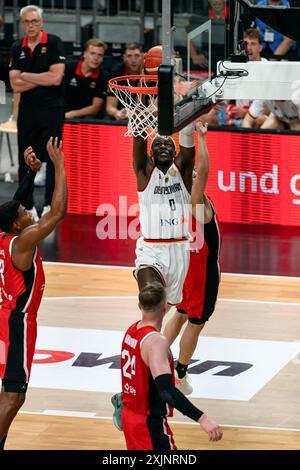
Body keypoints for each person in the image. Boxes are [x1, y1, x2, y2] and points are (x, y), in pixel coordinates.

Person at [0, 136, 67, 450]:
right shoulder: (22, 244)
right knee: (14, 396)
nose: (30, 212)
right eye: (26, 213)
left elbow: (15, 203)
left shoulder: (5, 234)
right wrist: (59, 166)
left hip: (5, 318)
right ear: (18, 225)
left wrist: (29, 174)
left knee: (11, 393)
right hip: (18, 323)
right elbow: (57, 213)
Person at [113, 282, 222, 450]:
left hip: (130, 416)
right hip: (147, 423)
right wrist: (202, 418)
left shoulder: (132, 330)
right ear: (165, 306)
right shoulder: (156, 342)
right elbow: (166, 391)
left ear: (139, 306)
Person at [163, 122, 221, 395]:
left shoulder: (176, 194)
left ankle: (158, 355)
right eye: (193, 173)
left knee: (182, 312)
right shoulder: (195, 199)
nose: (198, 173)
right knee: (196, 322)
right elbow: (206, 169)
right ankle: (180, 375)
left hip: (186, 262)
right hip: (201, 267)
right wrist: (202, 136)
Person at [9, 4, 65, 221]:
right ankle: (27, 204)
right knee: (26, 157)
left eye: (34, 21)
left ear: (41, 23)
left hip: (52, 109)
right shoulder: (17, 46)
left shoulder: (53, 42)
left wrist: (26, 75)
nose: (31, 25)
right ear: (22, 24)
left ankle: (50, 203)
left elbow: (56, 78)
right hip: (28, 111)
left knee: (52, 157)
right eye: (27, 21)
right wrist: (42, 77)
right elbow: (15, 85)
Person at [133, 122, 195, 307]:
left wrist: (188, 120)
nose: (163, 146)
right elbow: (139, 138)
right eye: (157, 145)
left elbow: (188, 143)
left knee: (165, 307)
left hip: (179, 250)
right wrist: (139, 113)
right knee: (150, 298)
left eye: (168, 144)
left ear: (175, 153)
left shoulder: (183, 172)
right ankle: (141, 335)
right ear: (151, 155)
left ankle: (156, 334)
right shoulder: (144, 173)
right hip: (151, 250)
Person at [64, 38, 109, 120]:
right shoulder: (68, 68)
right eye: (92, 53)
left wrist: (72, 114)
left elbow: (95, 108)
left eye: (100, 55)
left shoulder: (104, 76)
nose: (96, 58)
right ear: (85, 54)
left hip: (86, 117)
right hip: (63, 112)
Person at [106, 43, 144, 120]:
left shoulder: (149, 73)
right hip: (121, 115)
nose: (133, 60)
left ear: (143, 56)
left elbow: (154, 108)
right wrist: (117, 113)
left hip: (145, 117)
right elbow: (110, 107)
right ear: (124, 58)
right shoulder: (116, 72)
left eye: (137, 56)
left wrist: (134, 113)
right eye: (129, 56)